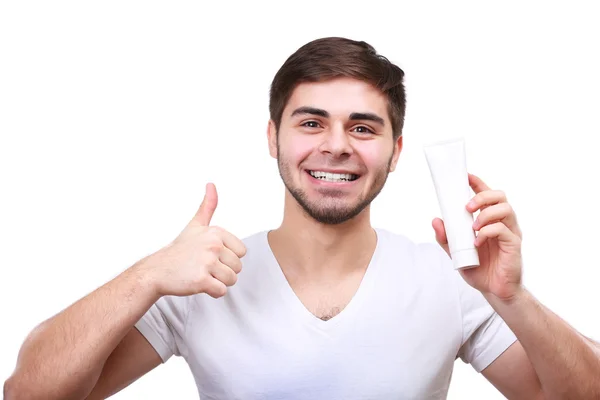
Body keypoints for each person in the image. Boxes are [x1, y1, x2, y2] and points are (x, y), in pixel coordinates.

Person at [4, 37, 600, 400]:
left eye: (362, 127)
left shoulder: (448, 279)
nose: (336, 145)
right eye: (311, 122)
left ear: (395, 151)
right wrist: (148, 276)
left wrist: (513, 298)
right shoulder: (200, 279)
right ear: (273, 137)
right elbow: (28, 393)